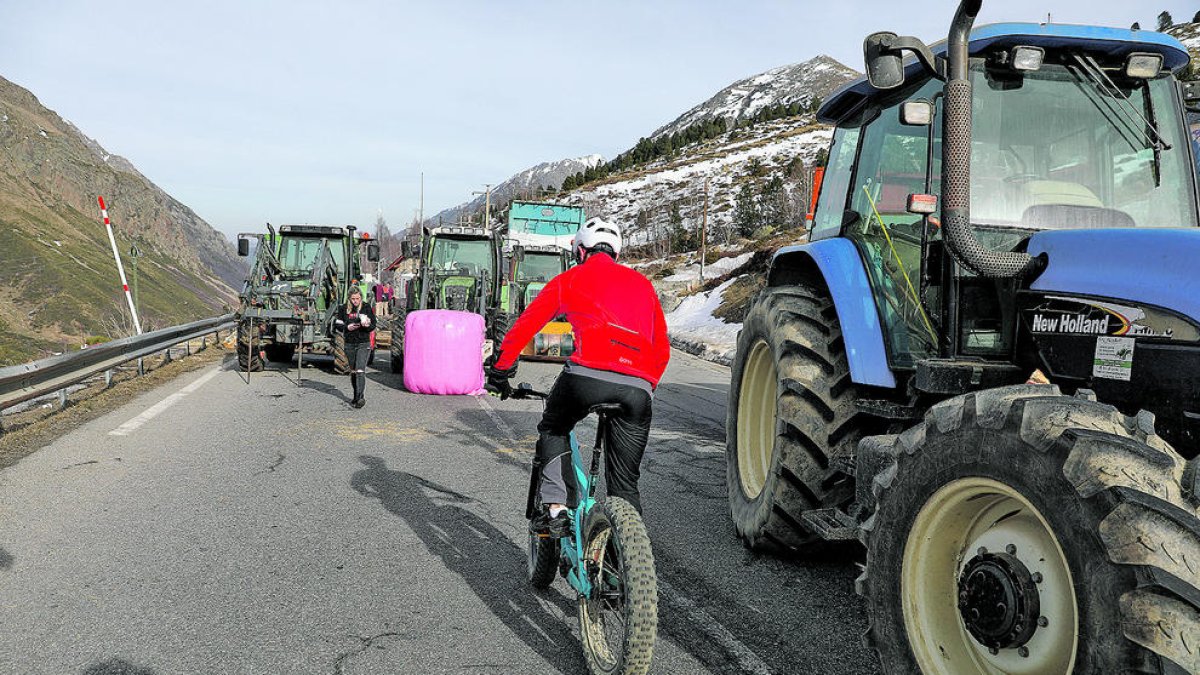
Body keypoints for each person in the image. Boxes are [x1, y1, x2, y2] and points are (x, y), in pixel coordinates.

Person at [486, 217, 670, 537]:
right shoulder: (643, 285)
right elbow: (662, 350)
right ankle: (626, 557)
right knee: (626, 484)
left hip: (585, 377)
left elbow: (525, 327)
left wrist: (500, 371)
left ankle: (556, 508)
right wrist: (644, 385)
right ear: (615, 252)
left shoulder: (570, 278)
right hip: (637, 389)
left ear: (581, 252)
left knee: (554, 426)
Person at [334, 287, 375, 408]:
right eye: (353, 299)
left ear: (361, 298)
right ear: (349, 298)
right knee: (353, 371)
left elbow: (373, 325)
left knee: (360, 370)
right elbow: (337, 324)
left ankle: (361, 397)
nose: (355, 301)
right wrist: (347, 327)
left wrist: (366, 324)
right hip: (349, 343)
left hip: (363, 342)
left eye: (358, 298)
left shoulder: (366, 307)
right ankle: (356, 396)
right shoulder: (343, 309)